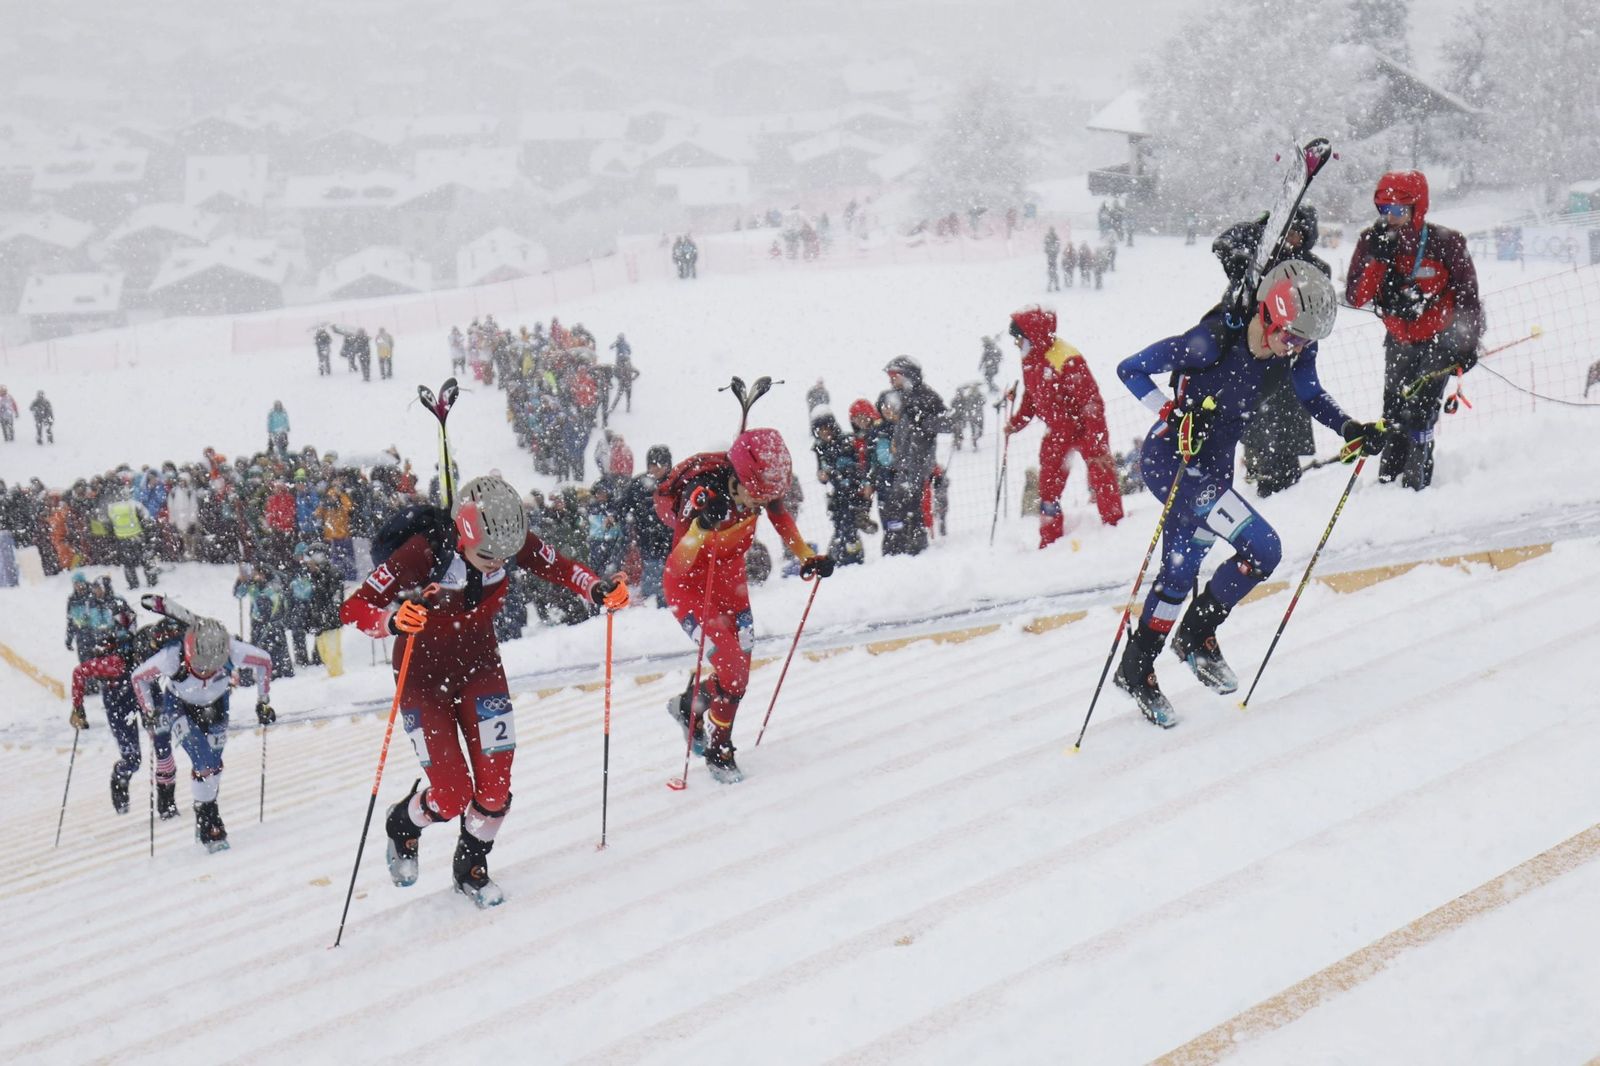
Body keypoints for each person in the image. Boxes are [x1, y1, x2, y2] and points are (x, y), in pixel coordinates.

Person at [1112, 259, 1382, 728]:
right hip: (1174, 465)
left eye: (1304, 343)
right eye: (1292, 337)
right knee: (1263, 548)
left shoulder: (1292, 349)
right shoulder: (1209, 344)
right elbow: (1130, 369)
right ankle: (1195, 637)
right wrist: (1171, 413)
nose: (1296, 350)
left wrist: (1349, 427)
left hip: (1214, 470)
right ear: (1272, 316)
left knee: (1181, 572)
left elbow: (1311, 394)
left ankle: (1139, 666)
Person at [340, 475, 626, 907]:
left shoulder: (508, 538)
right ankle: (404, 822)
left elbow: (562, 567)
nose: (497, 565)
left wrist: (596, 588)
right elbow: (354, 607)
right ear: (463, 534)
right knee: (452, 795)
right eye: (487, 556)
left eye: (505, 558)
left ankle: (471, 864)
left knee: (495, 787)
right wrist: (392, 621)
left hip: (479, 666)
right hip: (421, 679)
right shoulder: (423, 552)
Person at [655, 430, 832, 784]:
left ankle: (690, 707)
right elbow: (677, 566)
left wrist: (807, 557)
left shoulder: (758, 488)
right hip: (692, 589)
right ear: (737, 478)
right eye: (756, 497)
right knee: (731, 668)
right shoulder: (703, 494)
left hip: (729, 584)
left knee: (738, 675)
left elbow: (780, 516)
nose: (758, 506)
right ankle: (720, 750)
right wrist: (702, 528)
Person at [1345, 170, 1485, 490]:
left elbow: (1467, 296)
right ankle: (1388, 480)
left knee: (1420, 412)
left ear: (1418, 208)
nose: (1391, 218)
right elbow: (1356, 296)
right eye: (1384, 211)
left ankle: (1415, 483)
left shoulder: (1446, 242)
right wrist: (1378, 260)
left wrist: (1468, 343)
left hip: (1441, 339)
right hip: (1399, 340)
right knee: (1393, 411)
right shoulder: (1371, 240)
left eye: (1399, 211)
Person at [131, 616, 275, 851]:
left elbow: (264, 662)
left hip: (217, 704)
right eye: (200, 666)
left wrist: (263, 701)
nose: (206, 671)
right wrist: (148, 710)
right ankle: (210, 819)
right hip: (180, 706)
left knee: (214, 765)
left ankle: (204, 809)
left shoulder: (232, 649)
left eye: (213, 666)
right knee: (203, 762)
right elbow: (138, 677)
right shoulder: (171, 657)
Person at [1214, 205, 1327, 496]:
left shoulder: (1310, 268)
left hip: (1286, 354)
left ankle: (1281, 481)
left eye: (1297, 234)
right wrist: (1262, 228)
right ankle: (1256, 469)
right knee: (1251, 415)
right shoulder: (1258, 254)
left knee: (1283, 419)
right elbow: (1225, 243)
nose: (1289, 239)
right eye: (1285, 231)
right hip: (1246, 348)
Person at [1004, 305, 1124, 546]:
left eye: (1018, 338)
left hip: (1084, 429)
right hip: (1057, 431)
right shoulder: (1030, 359)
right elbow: (1032, 397)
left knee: (1102, 476)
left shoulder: (1066, 358)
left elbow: (1091, 402)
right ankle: (1049, 539)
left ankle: (1115, 529)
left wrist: (1097, 442)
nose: (1017, 344)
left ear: (1031, 335)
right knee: (1048, 485)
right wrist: (1017, 423)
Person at [70, 608, 185, 815]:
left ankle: (166, 801)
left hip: (149, 695)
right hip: (120, 705)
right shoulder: (114, 663)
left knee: (162, 746)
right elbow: (80, 672)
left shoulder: (146, 645)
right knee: (133, 759)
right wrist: (78, 707)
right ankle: (120, 778)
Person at [881, 356, 949, 557]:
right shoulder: (902, 397)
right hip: (903, 465)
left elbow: (948, 422)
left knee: (909, 510)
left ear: (908, 376)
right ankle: (899, 550)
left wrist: (924, 422)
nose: (891, 381)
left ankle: (910, 552)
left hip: (918, 465)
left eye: (895, 376)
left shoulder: (925, 396)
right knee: (900, 510)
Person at [624, 445, 674, 607]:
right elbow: (624, 505)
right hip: (647, 539)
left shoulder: (674, 482)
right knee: (652, 570)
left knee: (669, 574)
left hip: (671, 539)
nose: (655, 469)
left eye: (659, 465)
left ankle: (667, 601)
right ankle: (653, 604)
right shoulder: (638, 484)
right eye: (651, 465)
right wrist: (617, 515)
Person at [1044, 226, 1061, 292]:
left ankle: (1052, 285)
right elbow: (1046, 245)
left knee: (1052, 272)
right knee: (1053, 272)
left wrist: (1051, 250)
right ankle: (1055, 285)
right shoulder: (1051, 237)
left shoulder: (1052, 237)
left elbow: (1057, 245)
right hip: (1051, 256)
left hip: (1052, 256)